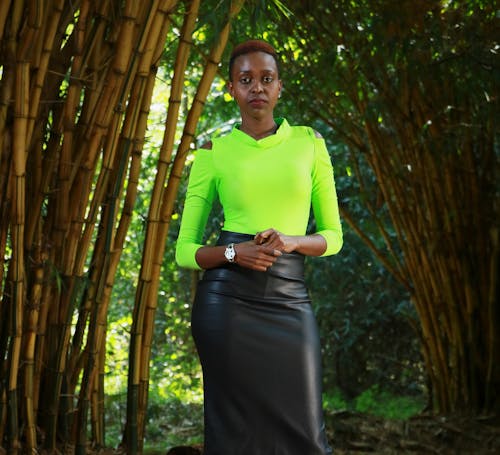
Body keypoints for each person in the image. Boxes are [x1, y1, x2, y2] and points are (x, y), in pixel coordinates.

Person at [175, 39, 342, 455]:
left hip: (290, 301)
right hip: (226, 305)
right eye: (245, 80)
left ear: (280, 87)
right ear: (231, 88)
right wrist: (235, 253)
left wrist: (291, 241)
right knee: (233, 439)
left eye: (266, 79)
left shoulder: (309, 144)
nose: (257, 88)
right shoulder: (214, 152)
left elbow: (333, 237)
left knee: (307, 438)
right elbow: (184, 251)